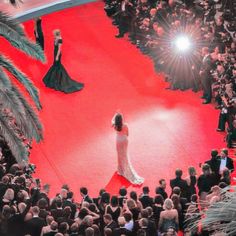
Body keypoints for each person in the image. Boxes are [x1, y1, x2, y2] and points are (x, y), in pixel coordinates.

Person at [112, 113, 144, 185]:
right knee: (125, 154)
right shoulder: (125, 125)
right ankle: (124, 167)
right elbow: (127, 134)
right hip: (124, 140)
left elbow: (112, 120)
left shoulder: (114, 125)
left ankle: (120, 169)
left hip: (118, 140)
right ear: (121, 119)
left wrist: (115, 116)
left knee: (119, 154)